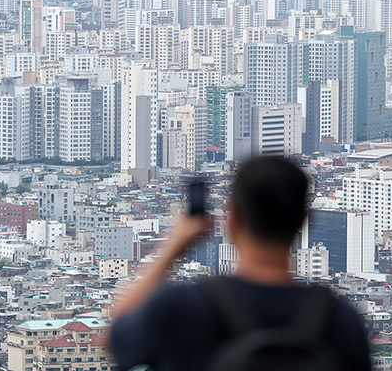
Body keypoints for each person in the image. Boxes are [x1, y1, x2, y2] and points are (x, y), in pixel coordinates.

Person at [110, 157, 370, 371]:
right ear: (305, 220)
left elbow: (117, 333)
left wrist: (174, 247)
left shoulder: (183, 308)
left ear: (232, 218)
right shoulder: (341, 321)